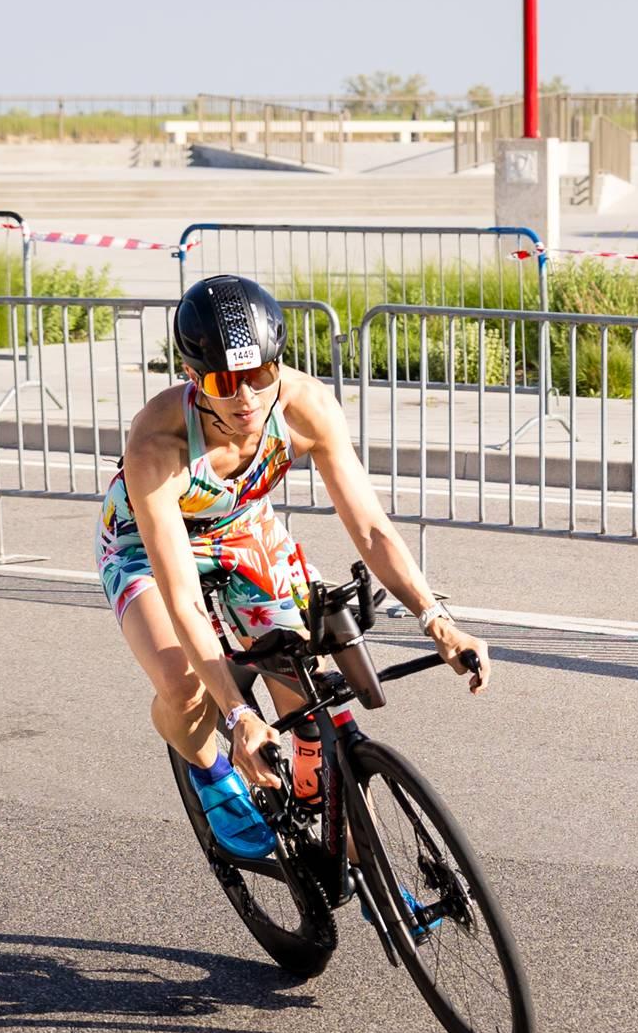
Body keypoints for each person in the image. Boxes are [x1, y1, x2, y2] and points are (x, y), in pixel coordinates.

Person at [98, 274, 487, 860]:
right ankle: (212, 774)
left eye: (260, 375)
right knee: (184, 685)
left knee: (303, 665)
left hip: (243, 527)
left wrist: (438, 621)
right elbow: (182, 598)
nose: (246, 399)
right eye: (224, 382)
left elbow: (372, 528)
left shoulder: (307, 407)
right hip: (145, 543)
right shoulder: (158, 442)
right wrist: (236, 715)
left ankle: (361, 858)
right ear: (192, 378)